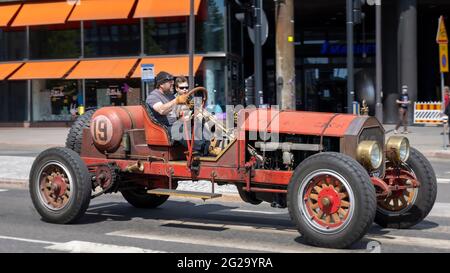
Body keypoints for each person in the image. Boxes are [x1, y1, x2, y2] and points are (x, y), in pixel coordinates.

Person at [146, 71, 210, 156]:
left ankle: (207, 146)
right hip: (163, 127)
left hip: (174, 123)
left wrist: (190, 112)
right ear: (161, 84)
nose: (172, 83)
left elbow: (176, 111)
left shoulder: (169, 95)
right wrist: (176, 100)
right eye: (169, 82)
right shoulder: (153, 97)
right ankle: (201, 149)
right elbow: (161, 110)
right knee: (180, 129)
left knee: (198, 121)